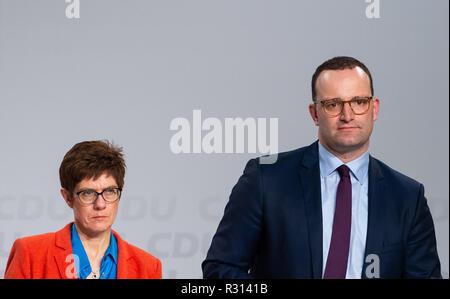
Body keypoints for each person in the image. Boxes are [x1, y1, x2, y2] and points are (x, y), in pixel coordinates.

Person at [202, 56, 441, 279]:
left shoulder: (408, 198)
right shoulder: (266, 179)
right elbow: (220, 268)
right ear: (315, 113)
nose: (347, 115)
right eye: (333, 104)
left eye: (359, 102)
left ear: (374, 108)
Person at [4, 140, 162, 279]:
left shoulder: (148, 267)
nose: (100, 204)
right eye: (88, 193)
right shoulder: (30, 253)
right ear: (67, 198)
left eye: (109, 191)